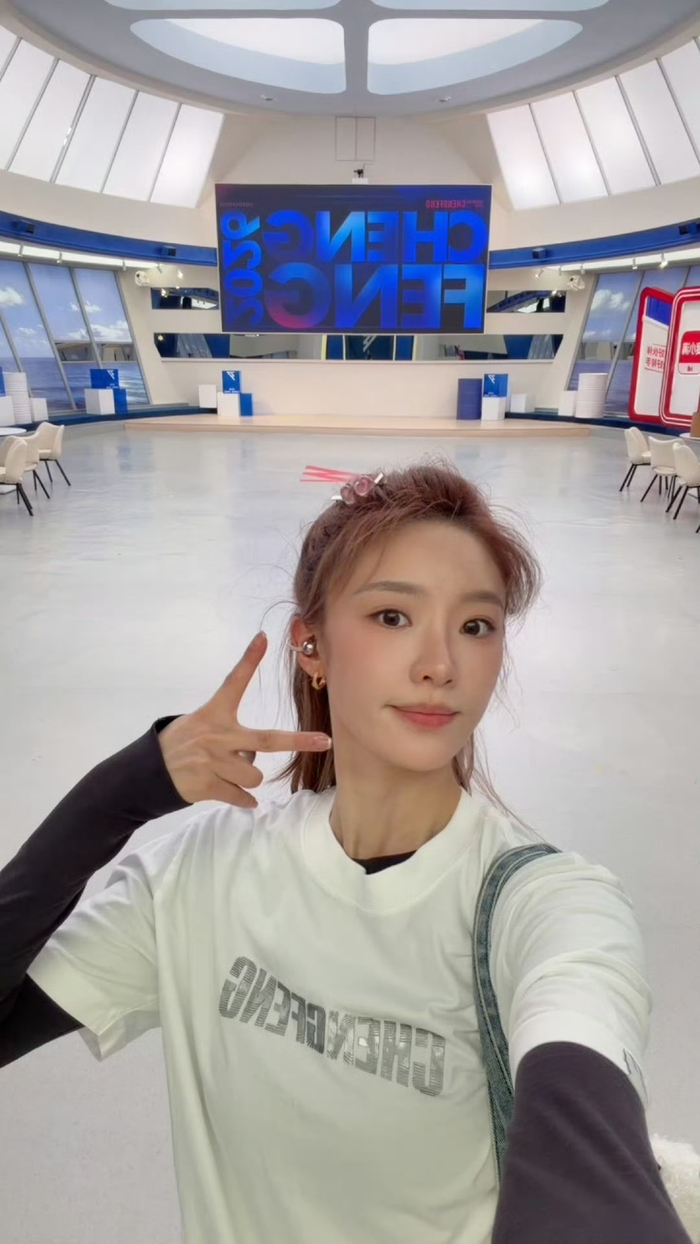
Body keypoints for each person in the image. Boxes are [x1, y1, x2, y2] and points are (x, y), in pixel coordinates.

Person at [0, 460, 691, 1244]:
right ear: (311, 646)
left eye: (477, 625)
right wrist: (121, 793)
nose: (441, 665)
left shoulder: (548, 904)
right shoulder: (201, 872)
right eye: (393, 616)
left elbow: (586, 1125)